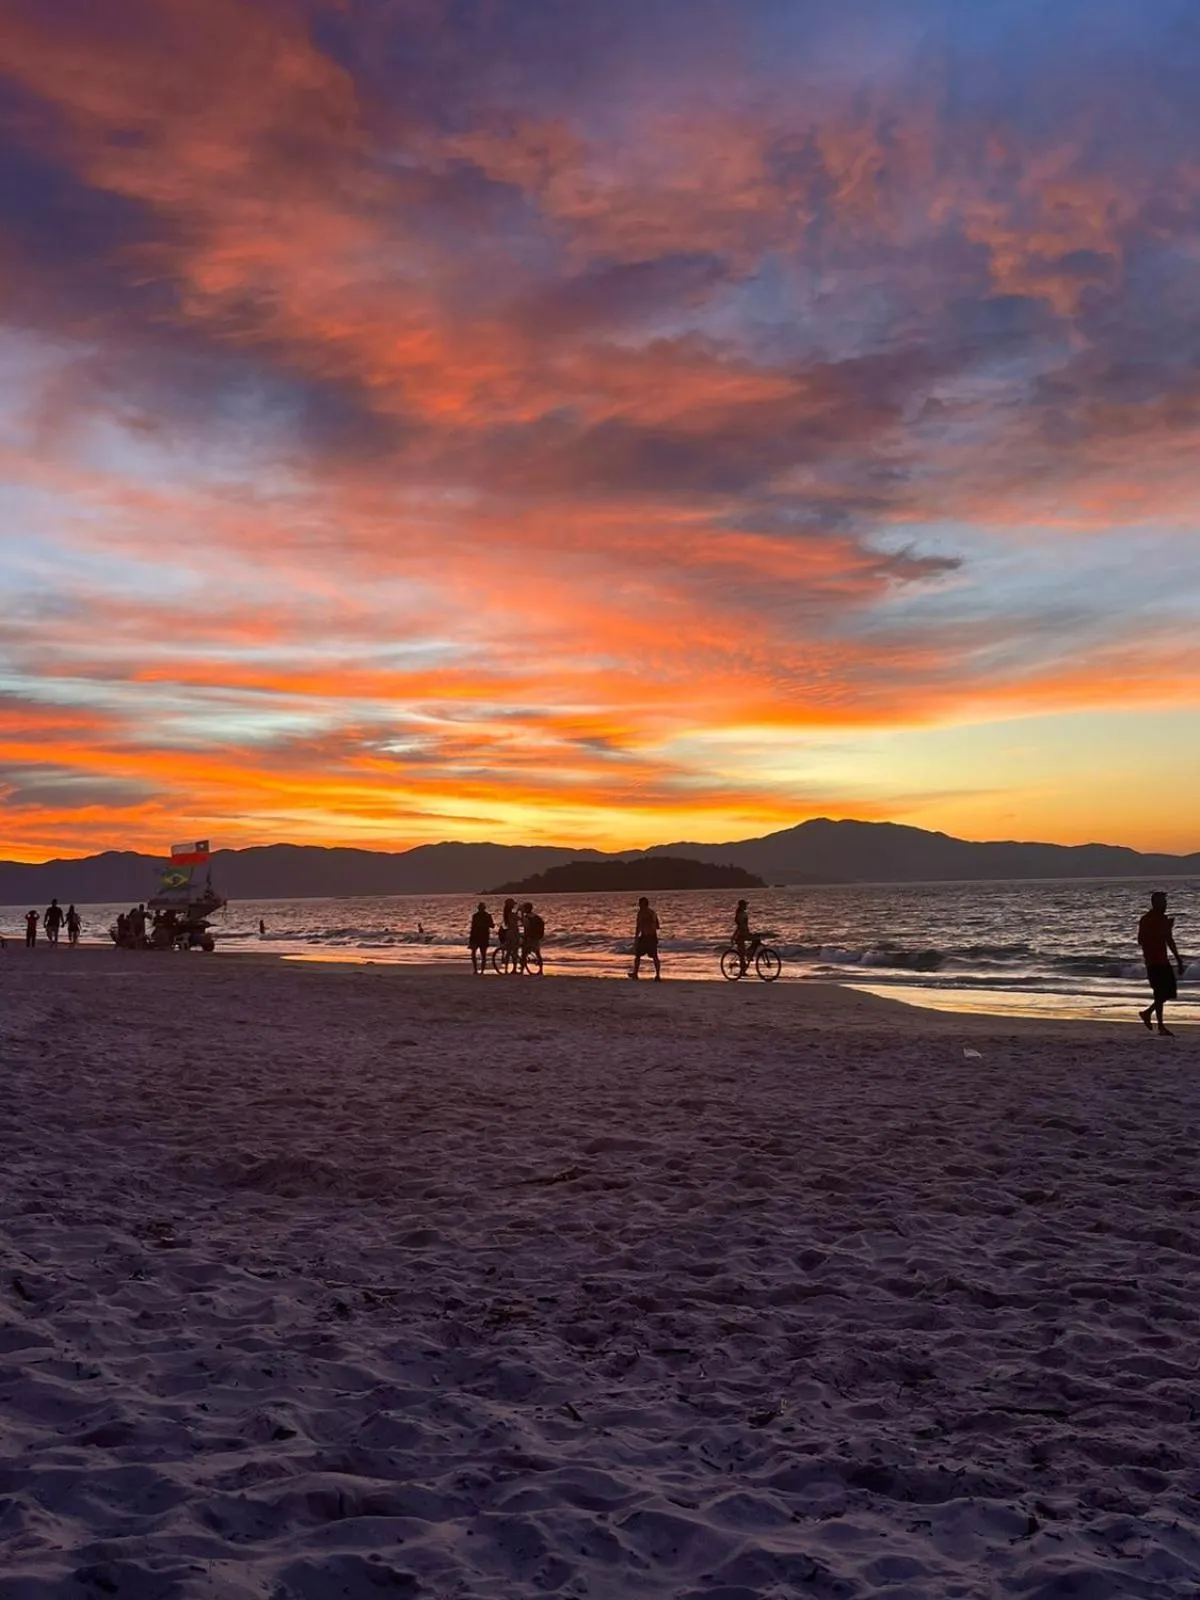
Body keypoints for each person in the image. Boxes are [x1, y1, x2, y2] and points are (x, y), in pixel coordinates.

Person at [1138, 891, 1185, 1036]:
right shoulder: (1147, 919)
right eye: (1162, 902)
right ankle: (1160, 1025)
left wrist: (1178, 959)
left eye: (1165, 902)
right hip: (1153, 961)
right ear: (1155, 904)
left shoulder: (1164, 919)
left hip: (1163, 961)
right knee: (1160, 993)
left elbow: (1169, 940)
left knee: (1168, 992)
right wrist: (1159, 933)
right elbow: (1141, 940)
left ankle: (1149, 1014)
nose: (1165, 905)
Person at [631, 896, 661, 981]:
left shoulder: (641, 913)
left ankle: (635, 974)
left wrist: (636, 937)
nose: (639, 905)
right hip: (653, 936)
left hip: (646, 937)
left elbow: (638, 926)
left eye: (640, 904)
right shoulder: (653, 913)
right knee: (655, 956)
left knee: (638, 956)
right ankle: (657, 975)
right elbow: (658, 926)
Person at [733, 899, 761, 974]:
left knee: (757, 940)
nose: (746, 906)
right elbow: (739, 926)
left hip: (745, 933)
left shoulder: (743, 914)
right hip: (741, 935)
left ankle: (748, 953)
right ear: (742, 906)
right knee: (741, 954)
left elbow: (744, 926)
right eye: (745, 905)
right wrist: (735, 935)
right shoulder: (739, 914)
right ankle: (742, 970)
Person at [468, 902, 494, 974]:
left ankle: (478, 970)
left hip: (479, 937)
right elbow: (492, 925)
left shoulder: (477, 916)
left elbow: (491, 925)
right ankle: (479, 970)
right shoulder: (485, 916)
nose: (481, 909)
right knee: (481, 954)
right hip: (480, 937)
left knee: (479, 954)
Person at [521, 902, 545, 974]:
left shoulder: (526, 917)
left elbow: (526, 928)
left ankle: (521, 969)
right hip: (537, 937)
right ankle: (541, 970)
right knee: (537, 953)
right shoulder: (536, 916)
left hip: (530, 937)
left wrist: (525, 936)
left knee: (524, 953)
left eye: (524, 908)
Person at [501, 898, 521, 974]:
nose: (514, 906)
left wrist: (517, 911)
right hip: (514, 933)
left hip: (509, 933)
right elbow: (520, 919)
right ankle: (514, 969)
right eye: (513, 904)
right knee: (515, 951)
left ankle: (506, 969)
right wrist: (520, 911)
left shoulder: (506, 914)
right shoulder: (511, 914)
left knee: (508, 952)